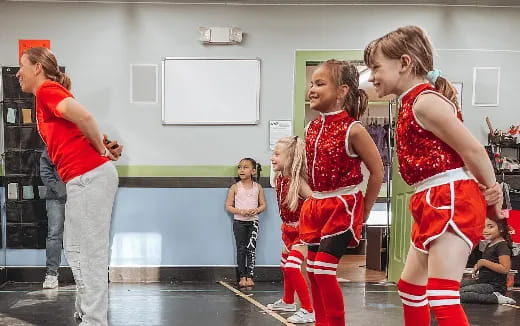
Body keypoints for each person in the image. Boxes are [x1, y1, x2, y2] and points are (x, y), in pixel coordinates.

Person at [364, 25, 504, 326]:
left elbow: (474, 151)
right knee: (410, 288)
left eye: (376, 67)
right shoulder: (412, 101)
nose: (371, 75)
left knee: (442, 295)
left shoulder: (425, 101)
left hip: (450, 198)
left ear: (404, 63)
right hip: (432, 199)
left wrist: (493, 189)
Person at [17, 47, 123, 326]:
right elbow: (78, 127)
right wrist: (103, 145)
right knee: (75, 247)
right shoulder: (48, 96)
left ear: (37, 67)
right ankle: (85, 311)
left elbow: (85, 117)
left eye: (22, 66)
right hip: (83, 177)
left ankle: (94, 320)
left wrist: (100, 148)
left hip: (90, 177)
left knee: (89, 251)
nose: (18, 73)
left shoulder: (47, 91)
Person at [301, 59, 384, 326]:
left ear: (342, 91)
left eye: (320, 84)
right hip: (316, 206)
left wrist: (366, 210)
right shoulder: (311, 127)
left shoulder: (353, 129)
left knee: (324, 270)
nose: (312, 89)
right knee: (313, 271)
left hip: (342, 206)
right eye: (311, 84)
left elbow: (378, 171)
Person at [267, 136, 315, 324]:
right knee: (285, 265)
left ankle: (309, 309)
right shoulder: (280, 178)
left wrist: (309, 227)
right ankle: (288, 301)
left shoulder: (299, 182)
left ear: (291, 158)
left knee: (293, 267)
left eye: (277, 154)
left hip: (302, 233)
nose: (272, 158)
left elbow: (314, 202)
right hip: (288, 230)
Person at [225, 158, 267, 288]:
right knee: (241, 249)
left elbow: (263, 205)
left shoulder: (257, 187)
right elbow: (228, 206)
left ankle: (250, 276)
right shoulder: (235, 187)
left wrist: (257, 210)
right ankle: (242, 276)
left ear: (253, 171)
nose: (241, 170)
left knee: (251, 249)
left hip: (253, 222)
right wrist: (241, 211)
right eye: (240, 167)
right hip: (239, 223)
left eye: (245, 167)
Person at [461, 218, 516, 304]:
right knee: (454, 288)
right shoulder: (489, 244)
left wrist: (483, 262)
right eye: (484, 227)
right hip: (482, 281)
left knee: (460, 294)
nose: (485, 230)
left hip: (494, 286)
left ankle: (496, 298)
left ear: (501, 228)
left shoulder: (502, 246)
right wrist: (478, 266)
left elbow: (505, 269)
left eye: (490, 227)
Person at [40, 147, 67, 289]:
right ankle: (51, 274)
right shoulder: (53, 144)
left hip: (80, 196)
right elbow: (45, 170)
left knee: (81, 235)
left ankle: (82, 275)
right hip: (56, 197)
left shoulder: (84, 141)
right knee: (54, 234)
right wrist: (59, 189)